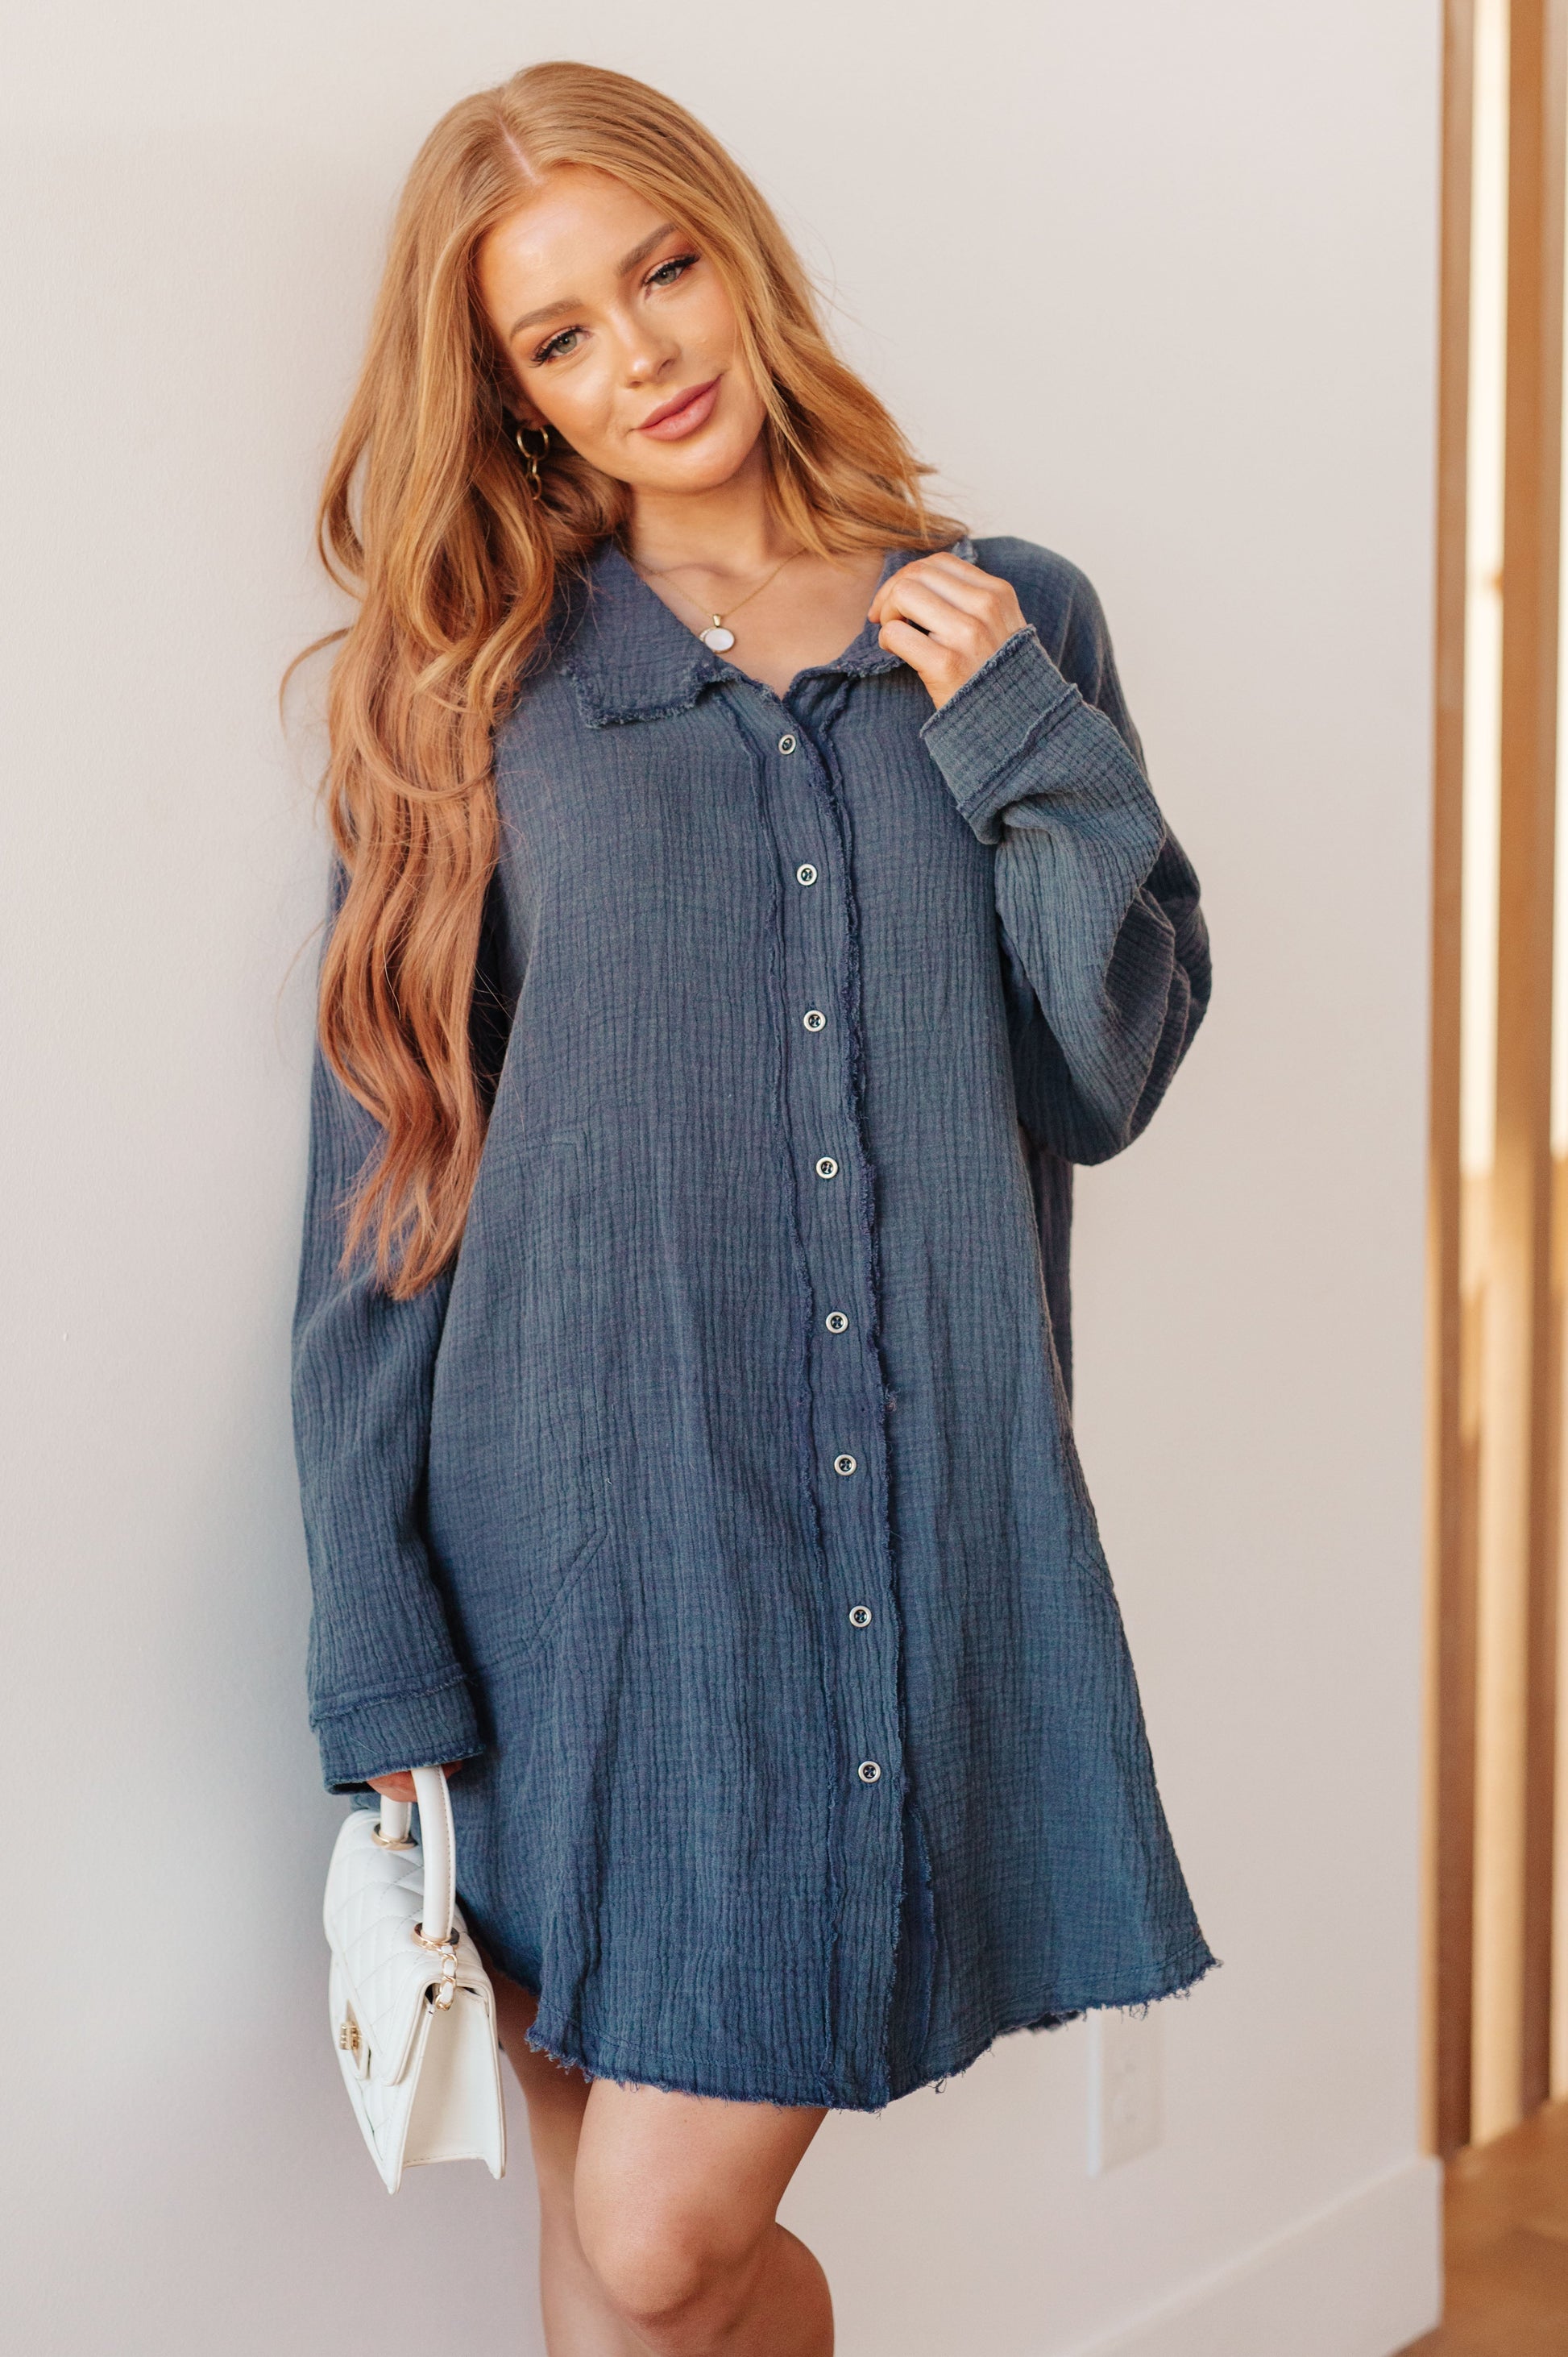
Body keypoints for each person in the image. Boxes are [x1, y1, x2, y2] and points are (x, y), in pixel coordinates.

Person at [292, 57, 1215, 2357]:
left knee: (654, 2246)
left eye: (663, 270)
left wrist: (1021, 742)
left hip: (863, 1543)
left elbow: (1099, 1074)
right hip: (552, 1568)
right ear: (509, 393)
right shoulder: (479, 686)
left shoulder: (1002, 619)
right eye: (560, 335)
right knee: (614, 2285)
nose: (642, 356)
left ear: (739, 249)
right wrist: (377, 1640)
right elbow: (385, 1178)